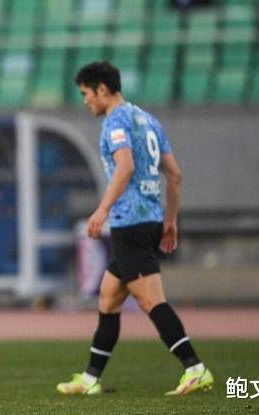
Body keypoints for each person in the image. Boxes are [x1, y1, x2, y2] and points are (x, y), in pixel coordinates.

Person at [57, 61, 213, 397]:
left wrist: (102, 209)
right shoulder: (148, 119)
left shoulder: (116, 121)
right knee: (109, 298)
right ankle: (90, 378)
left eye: (86, 94)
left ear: (102, 89)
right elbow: (175, 175)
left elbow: (125, 165)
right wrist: (170, 220)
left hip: (130, 223)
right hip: (151, 219)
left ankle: (195, 368)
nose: (85, 101)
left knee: (151, 301)